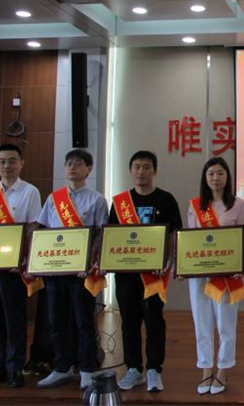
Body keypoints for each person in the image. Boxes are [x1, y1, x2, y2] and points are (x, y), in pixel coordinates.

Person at [108, 151, 182, 393]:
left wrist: (168, 261)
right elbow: (111, 235)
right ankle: (133, 369)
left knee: (154, 321)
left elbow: (174, 234)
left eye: (147, 167)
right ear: (130, 171)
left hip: (154, 274)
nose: (141, 171)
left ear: (155, 170)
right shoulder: (120, 202)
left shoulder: (166, 199)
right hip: (126, 274)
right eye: (137, 167)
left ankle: (153, 369)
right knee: (129, 322)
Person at [34, 149, 108, 389]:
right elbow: (43, 232)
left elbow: (100, 235)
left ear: (89, 169)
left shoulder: (97, 200)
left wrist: (91, 262)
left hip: (81, 273)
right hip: (55, 272)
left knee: (83, 321)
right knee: (57, 321)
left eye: (78, 163)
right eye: (69, 163)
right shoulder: (53, 199)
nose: (72, 167)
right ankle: (61, 367)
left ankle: (86, 369)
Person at [0, 144, 41, 389]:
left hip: (14, 267)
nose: (7, 166)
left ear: (21, 163)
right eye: (2, 161)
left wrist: (23, 259)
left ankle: (15, 368)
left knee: (14, 318)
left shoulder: (30, 192)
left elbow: (33, 227)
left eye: (12, 160)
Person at [185, 157, 244, 395]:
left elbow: (241, 239)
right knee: (202, 324)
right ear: (205, 177)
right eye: (211, 173)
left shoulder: (238, 204)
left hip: (226, 275)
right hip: (200, 275)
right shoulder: (195, 205)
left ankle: (222, 369)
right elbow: (190, 240)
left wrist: (237, 264)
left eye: (220, 173)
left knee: (225, 324)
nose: (215, 178)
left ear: (227, 177)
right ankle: (205, 369)